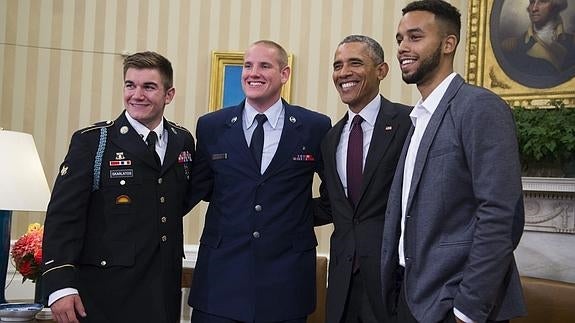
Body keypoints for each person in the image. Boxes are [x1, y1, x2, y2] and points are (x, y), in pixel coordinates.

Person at [381, 1, 527, 322]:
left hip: (455, 306)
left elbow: (501, 216)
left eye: (415, 37)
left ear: (449, 44)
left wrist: (467, 310)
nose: (403, 47)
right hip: (411, 298)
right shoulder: (417, 118)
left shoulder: (480, 107)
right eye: (400, 39)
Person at [41, 51, 195, 323]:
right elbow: (63, 217)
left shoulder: (182, 141)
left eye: (149, 87)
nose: (137, 95)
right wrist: (60, 285)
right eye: (130, 85)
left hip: (162, 293)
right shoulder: (93, 142)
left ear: (169, 94)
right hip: (105, 295)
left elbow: (176, 202)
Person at [187, 40, 331, 323]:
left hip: (286, 281)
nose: (253, 73)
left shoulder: (315, 127)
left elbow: (334, 196)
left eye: (265, 66)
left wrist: (294, 216)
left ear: (284, 74)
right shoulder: (211, 125)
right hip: (219, 279)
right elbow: (199, 189)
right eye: (248, 66)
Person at [314, 35, 411, 323]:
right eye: (337, 65)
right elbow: (336, 206)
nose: (344, 73)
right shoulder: (331, 138)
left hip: (393, 280)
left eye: (355, 63)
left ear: (381, 71)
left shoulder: (409, 123)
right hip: (343, 284)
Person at [501, 0, 575, 75]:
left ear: (555, 7)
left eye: (542, 1)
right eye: (532, 2)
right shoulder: (514, 45)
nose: (534, 9)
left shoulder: (571, 43)